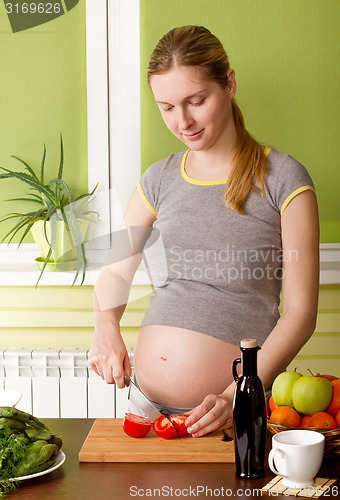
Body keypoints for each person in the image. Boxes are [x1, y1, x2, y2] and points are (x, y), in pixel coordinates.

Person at [89, 25, 319, 437]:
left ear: (228, 84)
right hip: (145, 408)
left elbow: (301, 314)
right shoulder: (157, 179)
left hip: (231, 415)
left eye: (196, 101)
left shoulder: (284, 178)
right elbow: (116, 273)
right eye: (167, 107)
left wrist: (240, 394)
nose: (183, 121)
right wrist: (105, 326)